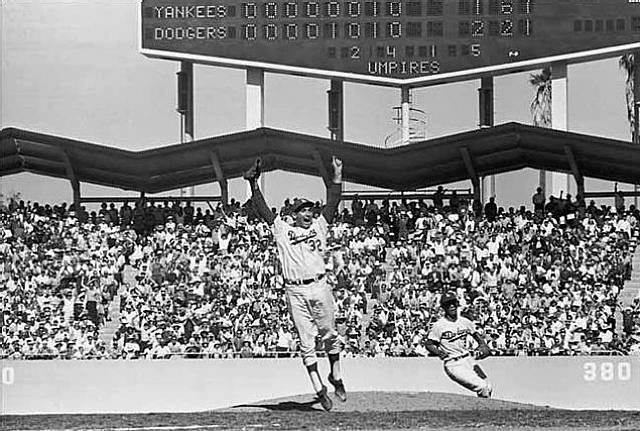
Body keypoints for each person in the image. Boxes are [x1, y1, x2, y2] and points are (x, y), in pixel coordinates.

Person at [243, 156, 347, 411]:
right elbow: (262, 208)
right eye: (303, 210)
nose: (308, 213)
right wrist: (254, 182)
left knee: (330, 335)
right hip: (295, 289)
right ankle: (319, 388)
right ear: (294, 214)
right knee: (306, 342)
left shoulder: (320, 225)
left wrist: (337, 175)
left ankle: (335, 375)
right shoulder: (282, 229)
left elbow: (334, 201)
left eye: (310, 210)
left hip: (319, 286)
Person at [425, 291, 493, 398]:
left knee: (488, 386)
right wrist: (438, 352)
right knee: (482, 387)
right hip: (453, 364)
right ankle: (487, 412)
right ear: (444, 308)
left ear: (457, 304)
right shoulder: (439, 325)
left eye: (453, 303)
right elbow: (428, 344)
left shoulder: (465, 321)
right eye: (448, 304)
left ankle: (483, 411)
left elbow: (478, 338)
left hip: (469, 360)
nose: (451, 306)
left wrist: (482, 346)